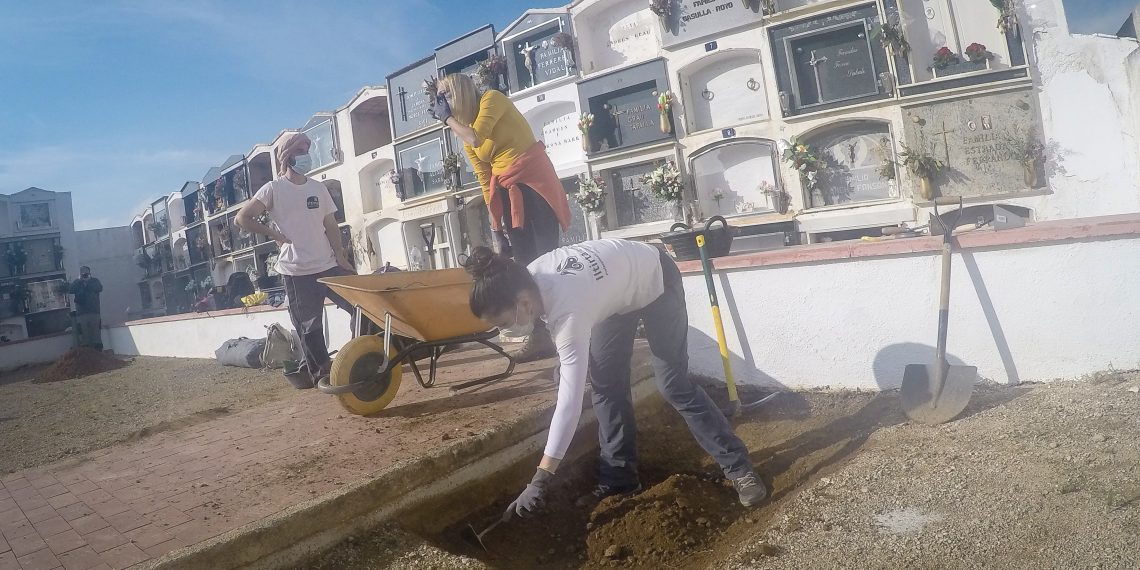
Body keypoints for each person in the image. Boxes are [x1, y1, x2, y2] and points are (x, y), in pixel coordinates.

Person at [462, 240, 768, 518]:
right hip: (616, 296)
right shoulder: (526, 278)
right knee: (605, 383)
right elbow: (568, 318)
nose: (506, 331)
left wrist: (541, 476)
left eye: (503, 323)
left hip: (655, 278)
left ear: (522, 303)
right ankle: (620, 479)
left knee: (672, 384)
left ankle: (739, 468)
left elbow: (568, 407)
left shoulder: (569, 312)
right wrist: (567, 360)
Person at [429, 72, 571, 363]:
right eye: (439, 99)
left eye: (446, 96)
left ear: (460, 92)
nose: (443, 103)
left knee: (549, 258)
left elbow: (477, 136)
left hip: (534, 183)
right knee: (525, 265)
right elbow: (484, 178)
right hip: (507, 191)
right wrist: (496, 227)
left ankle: (569, 328)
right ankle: (541, 335)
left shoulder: (491, 100)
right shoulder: (464, 132)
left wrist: (447, 120)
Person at [236, 132, 355, 386]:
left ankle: (360, 359)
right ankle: (324, 376)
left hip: (329, 265)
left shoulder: (318, 188)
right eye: (300, 151)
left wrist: (340, 255)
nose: (306, 155)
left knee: (361, 307)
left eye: (307, 149)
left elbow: (331, 224)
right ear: (288, 156)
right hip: (297, 271)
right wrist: (274, 234)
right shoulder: (273, 189)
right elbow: (242, 218)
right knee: (309, 328)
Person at [69, 266, 104, 351]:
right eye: (82, 273)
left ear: (90, 273)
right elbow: (70, 290)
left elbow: (99, 288)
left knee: (96, 333)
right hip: (81, 313)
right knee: (84, 335)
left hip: (94, 311)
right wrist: (79, 280)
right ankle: (87, 354)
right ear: (80, 273)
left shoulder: (94, 281)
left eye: (86, 273)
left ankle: (99, 353)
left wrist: (89, 282)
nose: (85, 274)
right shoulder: (77, 282)